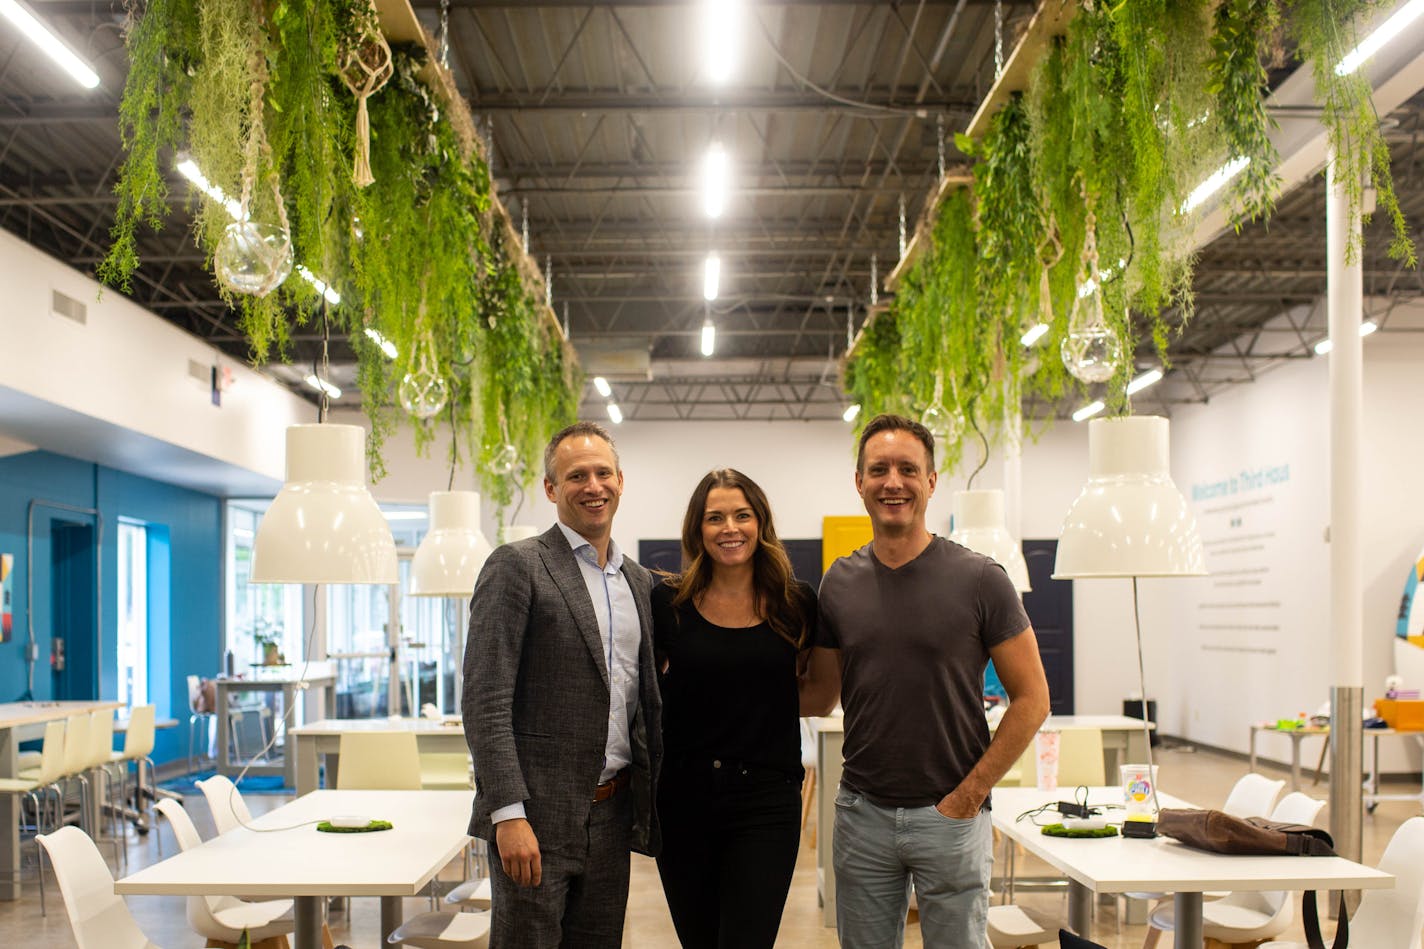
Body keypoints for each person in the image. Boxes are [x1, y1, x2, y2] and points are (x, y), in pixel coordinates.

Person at [817, 413, 1051, 948]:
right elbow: (820, 692)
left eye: (907, 469)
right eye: (878, 469)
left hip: (951, 815)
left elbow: (1033, 699)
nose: (892, 482)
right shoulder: (839, 581)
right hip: (862, 813)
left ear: (931, 481)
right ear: (859, 482)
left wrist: (969, 795)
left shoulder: (981, 579)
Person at [463, 421, 662, 949]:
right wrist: (507, 815)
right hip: (536, 816)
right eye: (577, 476)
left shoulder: (638, 583)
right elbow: (485, 701)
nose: (592, 486)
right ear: (552, 489)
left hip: (612, 814)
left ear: (621, 481)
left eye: (603, 473)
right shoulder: (517, 566)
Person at [652, 468, 839, 949]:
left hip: (765, 800)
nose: (729, 528)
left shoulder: (795, 602)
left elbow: (820, 695)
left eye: (742, 515)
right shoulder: (668, 602)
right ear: (697, 529)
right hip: (682, 799)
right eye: (715, 518)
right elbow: (645, 692)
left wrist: (754, 695)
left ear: (761, 523)